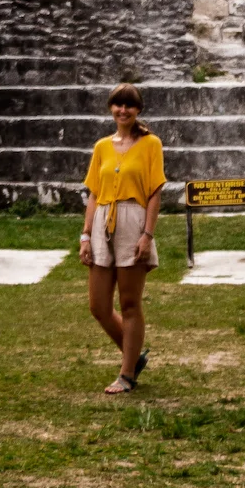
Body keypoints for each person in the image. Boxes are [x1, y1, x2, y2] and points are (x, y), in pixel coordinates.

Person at [79, 85, 164, 395]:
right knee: (99, 305)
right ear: (111, 109)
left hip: (133, 220)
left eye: (129, 106)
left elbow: (155, 192)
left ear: (137, 110)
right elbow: (94, 193)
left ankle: (127, 374)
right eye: (118, 105)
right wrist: (85, 235)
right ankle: (133, 355)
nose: (123, 111)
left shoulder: (150, 144)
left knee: (130, 303)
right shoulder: (102, 146)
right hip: (102, 220)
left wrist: (147, 234)